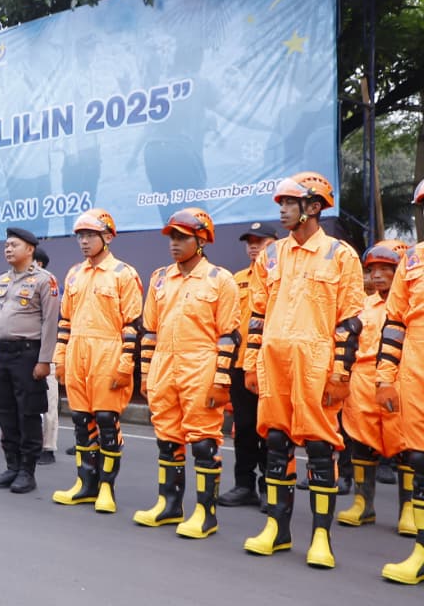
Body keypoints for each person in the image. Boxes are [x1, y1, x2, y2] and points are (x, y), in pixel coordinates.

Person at [242, 172, 363, 568]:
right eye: (281, 203)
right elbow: (257, 315)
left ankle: (321, 538)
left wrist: (341, 374)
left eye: (289, 203)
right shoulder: (271, 255)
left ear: (313, 207)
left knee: (318, 447)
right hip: (274, 362)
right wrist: (251, 363)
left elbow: (351, 321)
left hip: (317, 364)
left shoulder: (340, 255)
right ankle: (278, 530)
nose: (281, 209)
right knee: (276, 442)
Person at [132, 209, 239, 538]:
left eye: (182, 237)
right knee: (167, 439)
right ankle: (169, 505)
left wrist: (221, 380)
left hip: (201, 366)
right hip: (165, 364)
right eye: (171, 238)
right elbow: (148, 331)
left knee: (204, 442)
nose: (174, 244)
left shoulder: (220, 280)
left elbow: (230, 335)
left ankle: (206, 514)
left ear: (202, 239)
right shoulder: (160, 278)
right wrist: (147, 374)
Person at [51, 209, 144, 513]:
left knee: (106, 420)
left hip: (108, 354)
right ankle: (84, 483)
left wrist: (125, 364)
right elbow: (65, 321)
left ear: (107, 237)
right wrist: (60, 358)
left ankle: (106, 487)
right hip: (78, 352)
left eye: (90, 235)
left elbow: (133, 325)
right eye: (80, 235)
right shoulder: (75, 273)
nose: (84, 241)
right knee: (80, 421)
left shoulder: (124, 274)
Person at [337, 241, 410, 532]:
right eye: (373, 269)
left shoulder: (409, 304)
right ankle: (362, 504)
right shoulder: (363, 306)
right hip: (362, 383)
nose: (377, 275)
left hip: (400, 381)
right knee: (361, 443)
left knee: (408, 445)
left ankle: (410, 509)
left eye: (385, 268)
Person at [0, 229, 58, 494]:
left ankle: (27, 471)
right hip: (2, 354)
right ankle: (12, 466)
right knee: (5, 411)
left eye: (13, 245)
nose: (7, 249)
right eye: (6, 245)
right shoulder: (3, 279)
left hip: (27, 354)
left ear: (29, 249)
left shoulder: (44, 280)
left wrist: (45, 360)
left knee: (27, 413)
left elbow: (50, 323)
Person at [377, 180, 424, 584]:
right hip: (415, 369)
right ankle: (421, 552)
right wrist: (385, 380)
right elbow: (393, 324)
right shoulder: (411, 261)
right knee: (420, 460)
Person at [219, 221, 280, 508]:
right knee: (243, 427)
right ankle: (244, 485)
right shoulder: (236, 279)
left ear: (275, 243)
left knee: (270, 428)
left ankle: (270, 487)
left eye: (260, 241)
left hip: (271, 366)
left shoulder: (282, 276)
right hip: (240, 364)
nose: (254, 246)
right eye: (249, 242)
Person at [32, 246, 59, 465]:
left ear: (38, 263)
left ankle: (48, 447)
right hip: (26, 352)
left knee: (49, 403)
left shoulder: (49, 283)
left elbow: (51, 324)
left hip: (47, 353)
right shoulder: (15, 281)